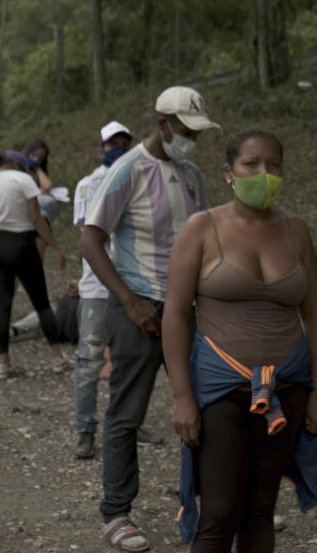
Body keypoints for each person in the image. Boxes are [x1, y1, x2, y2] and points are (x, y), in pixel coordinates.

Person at [162, 128, 317, 552]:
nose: (263, 173)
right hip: (221, 388)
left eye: (273, 166)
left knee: (261, 508)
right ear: (228, 172)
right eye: (251, 164)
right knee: (220, 513)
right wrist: (182, 395)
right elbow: (176, 315)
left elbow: (315, 313)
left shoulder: (296, 231)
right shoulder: (202, 228)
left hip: (288, 386)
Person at [81, 87, 220, 552]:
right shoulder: (128, 170)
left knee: (209, 407)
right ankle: (116, 513)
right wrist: (128, 301)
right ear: (162, 123)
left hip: (190, 310)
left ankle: (214, 504)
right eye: (185, 131)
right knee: (126, 413)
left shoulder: (193, 174)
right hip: (140, 308)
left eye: (197, 133)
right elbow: (91, 239)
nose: (191, 140)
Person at [0, 150, 72, 378]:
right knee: (41, 303)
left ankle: (4, 365)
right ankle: (58, 359)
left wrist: (0, 215)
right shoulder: (23, 180)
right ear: (16, 165)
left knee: (2, 306)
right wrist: (55, 246)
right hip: (22, 244)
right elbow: (36, 218)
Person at [71, 120, 134, 459]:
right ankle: (85, 431)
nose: (119, 148)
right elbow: (90, 236)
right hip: (97, 291)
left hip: (135, 288)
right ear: (101, 150)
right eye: (113, 144)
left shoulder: (143, 178)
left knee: (130, 362)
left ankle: (129, 425)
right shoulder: (88, 184)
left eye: (125, 142)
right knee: (89, 363)